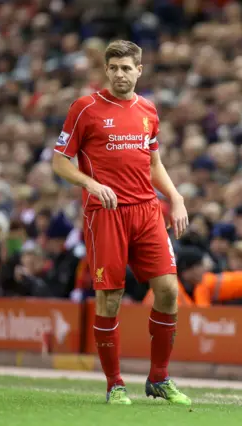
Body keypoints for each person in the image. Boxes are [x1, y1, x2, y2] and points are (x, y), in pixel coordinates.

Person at [51, 40, 190, 406]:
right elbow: (60, 160)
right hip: (106, 214)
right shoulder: (85, 108)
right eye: (114, 67)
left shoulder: (148, 110)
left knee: (168, 291)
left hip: (147, 211)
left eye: (127, 67)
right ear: (106, 70)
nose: (120, 73)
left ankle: (159, 377)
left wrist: (174, 198)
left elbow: (153, 163)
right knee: (109, 298)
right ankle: (115, 383)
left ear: (139, 70)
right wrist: (90, 184)